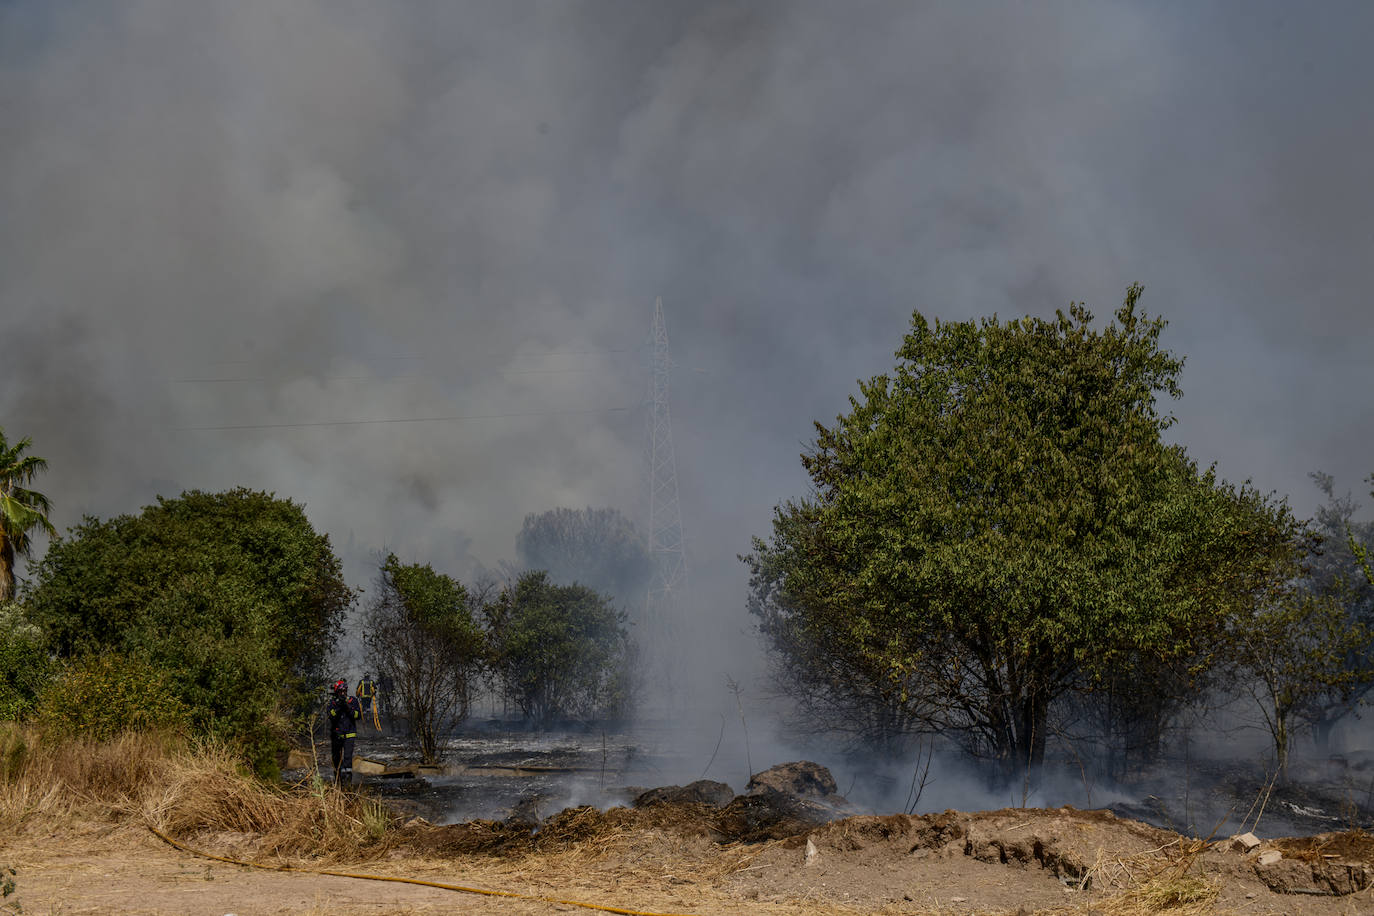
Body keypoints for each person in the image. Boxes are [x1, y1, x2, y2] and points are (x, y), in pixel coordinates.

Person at [326, 679, 361, 785]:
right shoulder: (332, 703)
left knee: (348, 757)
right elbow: (331, 716)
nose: (343, 693)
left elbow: (357, 715)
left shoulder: (353, 701)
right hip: (337, 734)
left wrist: (347, 707)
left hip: (350, 733)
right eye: (340, 691)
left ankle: (348, 780)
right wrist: (338, 706)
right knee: (336, 757)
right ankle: (338, 778)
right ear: (337, 692)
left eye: (344, 691)